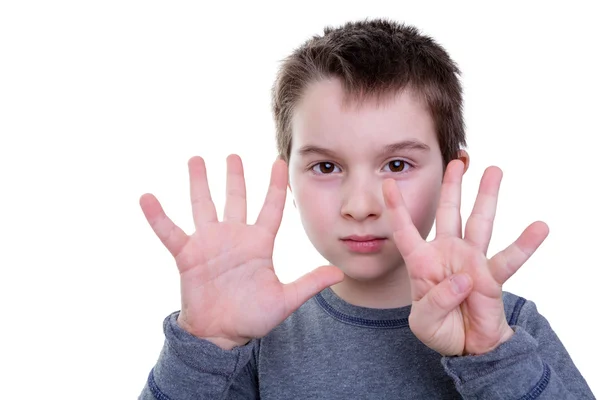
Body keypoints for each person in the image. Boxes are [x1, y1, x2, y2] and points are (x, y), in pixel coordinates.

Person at [138, 19, 594, 399]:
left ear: (451, 173)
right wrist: (202, 347)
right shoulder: (252, 338)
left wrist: (491, 355)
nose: (359, 205)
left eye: (397, 164)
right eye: (326, 166)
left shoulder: (508, 329)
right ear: (287, 180)